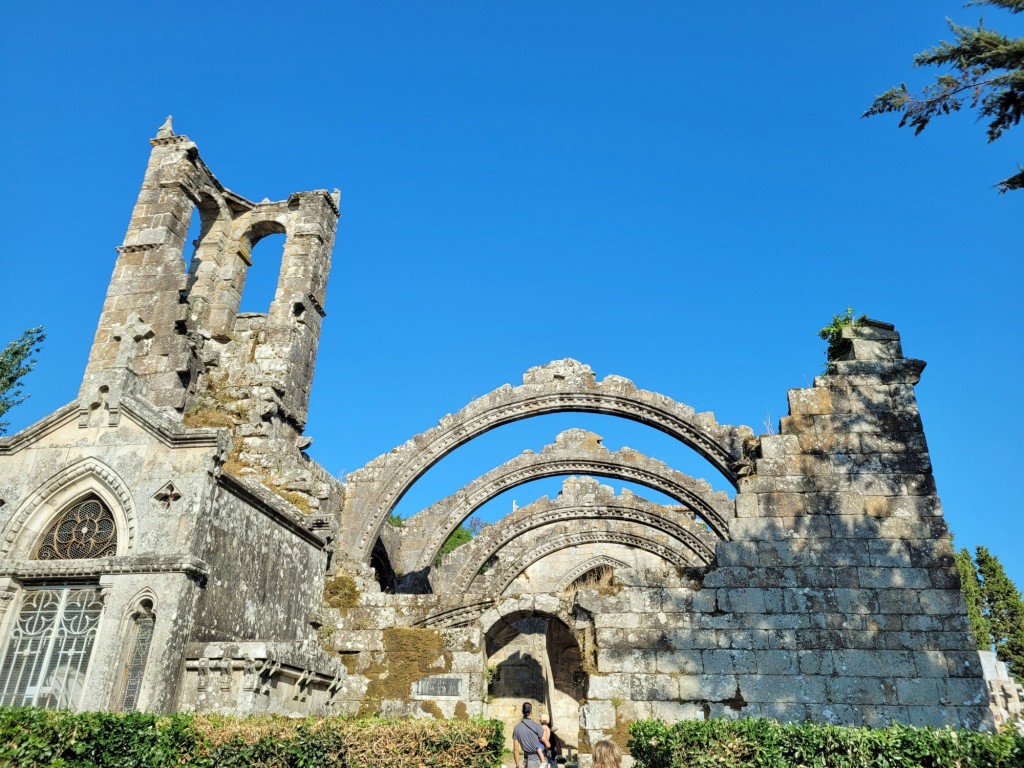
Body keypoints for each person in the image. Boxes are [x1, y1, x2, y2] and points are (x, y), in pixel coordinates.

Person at [512, 701, 547, 767]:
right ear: (531, 712)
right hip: (540, 760)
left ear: (522, 712)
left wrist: (517, 765)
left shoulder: (516, 728)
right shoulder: (538, 726)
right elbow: (544, 743)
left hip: (528, 761)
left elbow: (515, 750)